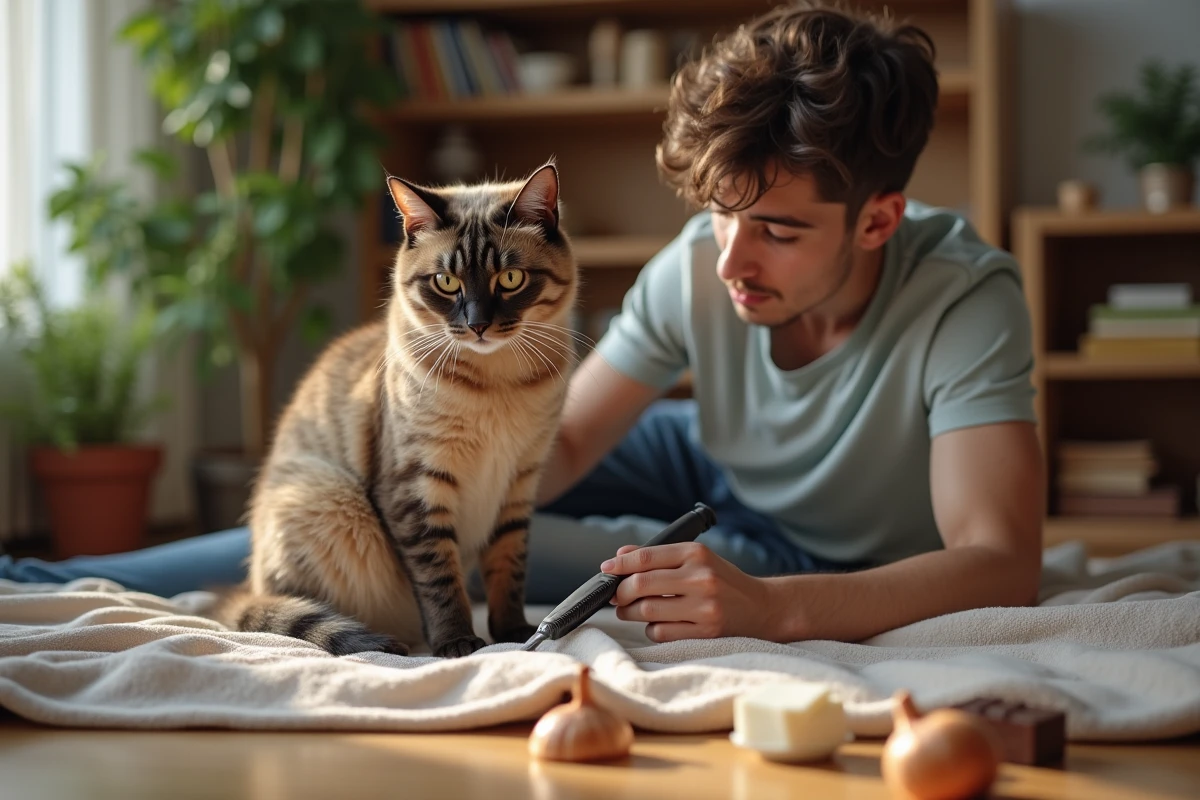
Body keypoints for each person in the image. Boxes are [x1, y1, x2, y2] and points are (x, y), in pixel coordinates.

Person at [1, 1, 1044, 644]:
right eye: (720, 217)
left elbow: (1000, 558)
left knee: (519, 550)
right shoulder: (704, 263)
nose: (729, 259)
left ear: (879, 219)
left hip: (787, 536)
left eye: (775, 229)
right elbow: (573, 435)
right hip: (701, 443)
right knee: (421, 515)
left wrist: (779, 609)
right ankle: (32, 578)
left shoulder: (965, 297)